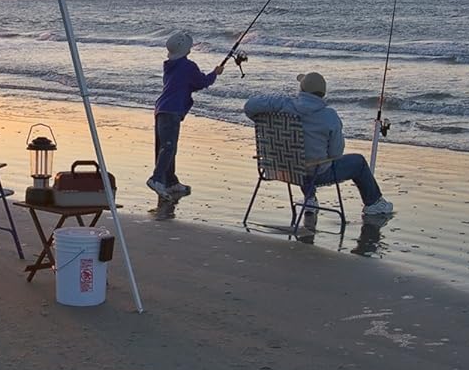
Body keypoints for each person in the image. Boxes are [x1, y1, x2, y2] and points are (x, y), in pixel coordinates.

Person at [243, 71, 393, 243]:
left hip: (280, 167)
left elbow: (250, 106)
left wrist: (279, 103)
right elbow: (336, 154)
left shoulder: (283, 106)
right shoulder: (329, 116)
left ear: (302, 89)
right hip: (314, 173)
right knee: (357, 161)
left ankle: (310, 199)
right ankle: (374, 203)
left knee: (301, 158)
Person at [148, 32, 227, 202]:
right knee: (168, 148)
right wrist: (215, 73)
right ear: (186, 50)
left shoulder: (170, 65)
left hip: (162, 108)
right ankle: (156, 179)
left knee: (165, 147)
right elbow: (201, 82)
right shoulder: (187, 66)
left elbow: (189, 84)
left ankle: (170, 181)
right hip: (172, 110)